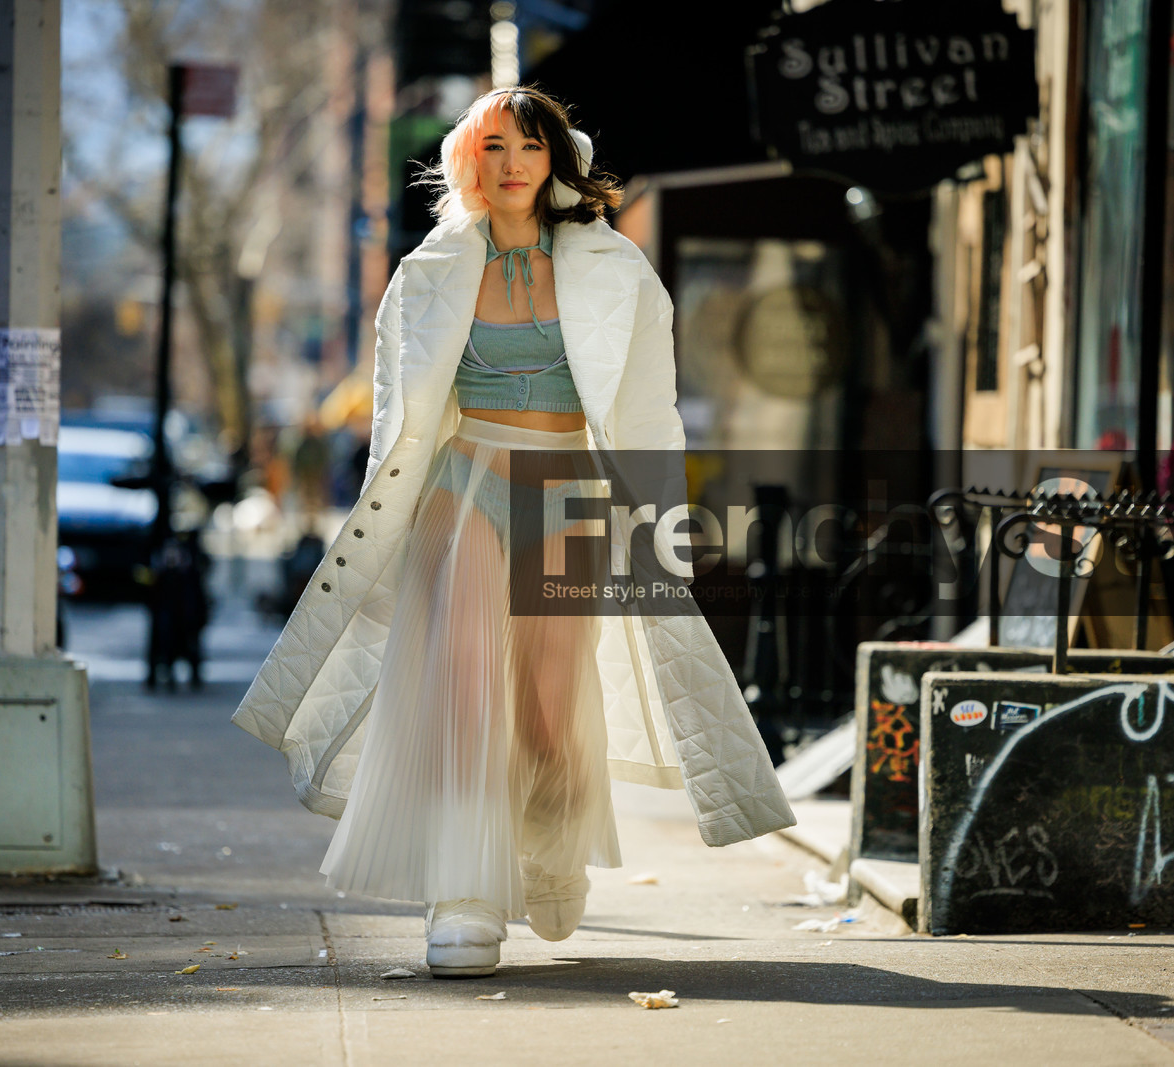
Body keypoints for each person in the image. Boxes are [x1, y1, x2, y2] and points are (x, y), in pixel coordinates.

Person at [232, 85, 795, 979]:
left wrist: (660, 524)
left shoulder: (616, 271)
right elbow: (394, 420)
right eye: (492, 145)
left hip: (569, 491)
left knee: (545, 706)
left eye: (528, 145)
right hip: (460, 488)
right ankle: (464, 898)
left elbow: (650, 409)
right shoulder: (428, 272)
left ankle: (551, 844)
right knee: (458, 694)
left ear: (555, 157)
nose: (511, 161)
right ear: (470, 160)